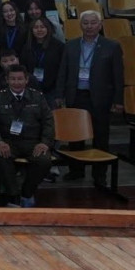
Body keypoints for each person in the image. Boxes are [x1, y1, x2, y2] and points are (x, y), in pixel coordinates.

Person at [55, 10, 124, 187]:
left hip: (101, 98)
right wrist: (59, 94)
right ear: (80, 25)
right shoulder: (70, 45)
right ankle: (76, 170)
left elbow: (118, 76)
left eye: (93, 23)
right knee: (75, 136)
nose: (89, 26)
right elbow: (63, 71)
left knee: (101, 137)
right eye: (85, 23)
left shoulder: (112, 46)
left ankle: (99, 175)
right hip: (76, 95)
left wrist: (118, 100)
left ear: (100, 25)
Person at [0, 65, 54, 208]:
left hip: (32, 141)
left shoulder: (38, 97)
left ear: (26, 80)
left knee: (44, 160)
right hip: (8, 142)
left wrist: (45, 143)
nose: (16, 82)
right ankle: (13, 196)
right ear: (7, 80)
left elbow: (48, 122)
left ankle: (27, 192)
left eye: (20, 79)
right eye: (13, 79)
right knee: (2, 157)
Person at [21, 17, 64, 107]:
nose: (39, 30)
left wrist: (59, 94)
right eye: (36, 27)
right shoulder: (27, 47)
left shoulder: (59, 46)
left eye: (42, 27)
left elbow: (62, 72)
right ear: (31, 30)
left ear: (48, 28)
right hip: (31, 90)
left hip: (52, 91)